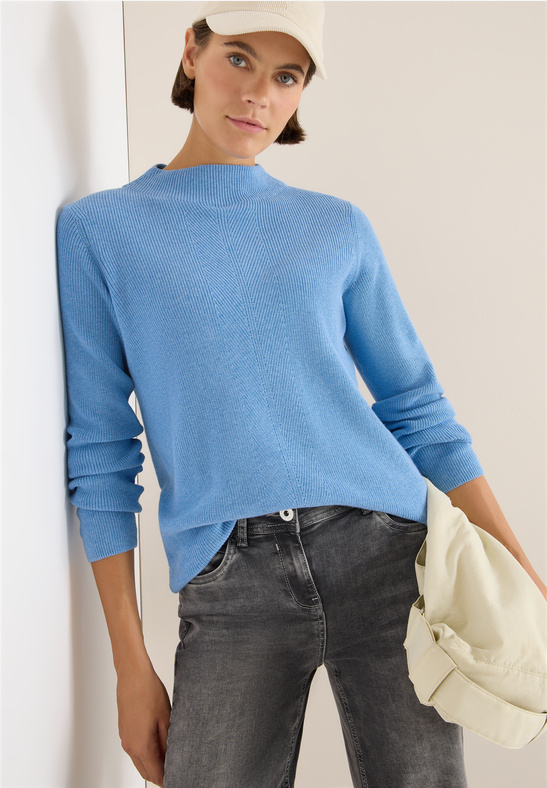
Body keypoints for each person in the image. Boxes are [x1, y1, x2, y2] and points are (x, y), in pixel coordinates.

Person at [56, 2, 547, 787]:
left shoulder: (334, 227)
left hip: (387, 557)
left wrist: (522, 573)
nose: (258, 93)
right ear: (191, 53)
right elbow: (101, 450)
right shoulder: (100, 230)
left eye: (286, 77)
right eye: (238, 59)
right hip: (228, 575)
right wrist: (130, 664)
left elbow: (418, 409)